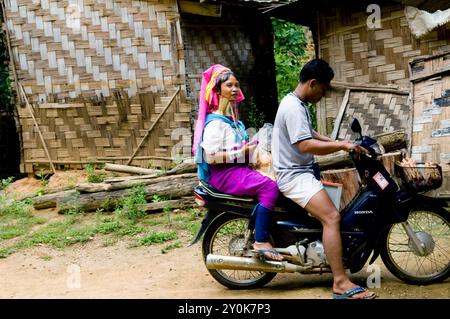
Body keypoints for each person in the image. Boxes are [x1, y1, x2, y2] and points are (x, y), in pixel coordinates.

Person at [272, 59, 376, 299]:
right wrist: (341, 145)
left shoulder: (296, 103)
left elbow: (310, 133)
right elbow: (305, 143)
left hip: (302, 172)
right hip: (294, 176)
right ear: (313, 83)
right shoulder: (293, 107)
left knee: (334, 210)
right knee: (332, 217)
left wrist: (337, 142)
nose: (324, 94)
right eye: (324, 89)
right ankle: (340, 282)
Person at [193, 64, 283, 261]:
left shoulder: (229, 118)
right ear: (217, 90)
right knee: (270, 187)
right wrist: (241, 151)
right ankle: (260, 240)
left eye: (236, 85)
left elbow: (232, 148)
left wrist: (248, 147)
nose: (234, 89)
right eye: (228, 85)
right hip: (225, 174)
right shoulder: (216, 123)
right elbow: (211, 157)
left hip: (237, 169)